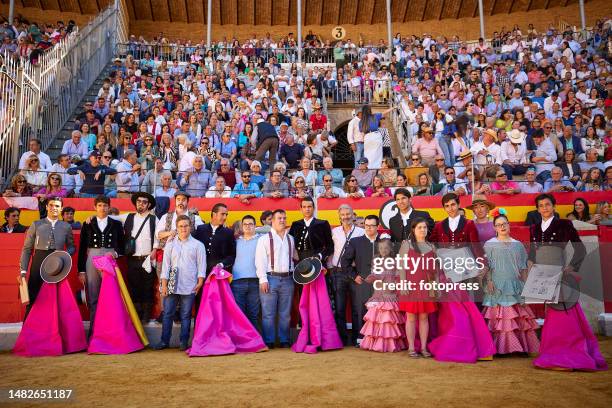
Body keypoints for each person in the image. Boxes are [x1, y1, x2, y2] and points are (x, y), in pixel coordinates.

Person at [528, 193, 607, 371]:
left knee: (563, 310)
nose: (544, 208)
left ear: (554, 206)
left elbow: (580, 249)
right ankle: (553, 351)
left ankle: (567, 352)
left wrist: (571, 267)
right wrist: (530, 265)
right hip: (542, 277)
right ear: (537, 209)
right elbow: (533, 253)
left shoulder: (564, 224)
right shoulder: (534, 228)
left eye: (547, 204)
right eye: (541, 205)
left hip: (559, 275)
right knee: (553, 311)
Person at [428, 193, 495, 363]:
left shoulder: (469, 224)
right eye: (447, 206)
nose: (450, 208)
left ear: (458, 205)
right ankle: (454, 342)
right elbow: (432, 244)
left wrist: (483, 264)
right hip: (447, 270)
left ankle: (473, 345)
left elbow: (476, 247)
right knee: (450, 309)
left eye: (453, 204)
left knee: (466, 306)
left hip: (465, 269)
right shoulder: (439, 226)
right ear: (444, 208)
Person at [482, 211, 539, 355]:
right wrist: (488, 280)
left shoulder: (518, 245)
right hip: (496, 284)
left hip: (515, 285)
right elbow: (487, 265)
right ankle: (501, 348)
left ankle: (519, 347)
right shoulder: (489, 244)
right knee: (501, 318)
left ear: (509, 225)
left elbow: (523, 268)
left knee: (515, 317)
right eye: (498, 225)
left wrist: (526, 289)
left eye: (504, 224)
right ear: (494, 228)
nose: (502, 227)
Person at [153, 215, 206, 351]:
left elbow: (201, 266)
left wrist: (200, 283)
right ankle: (164, 341)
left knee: (186, 315)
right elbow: (165, 266)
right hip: (171, 285)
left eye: (186, 225)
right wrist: (164, 285)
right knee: (168, 313)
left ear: (190, 227)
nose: (183, 228)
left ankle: (183, 342)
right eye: (181, 226)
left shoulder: (198, 245)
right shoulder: (170, 245)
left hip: (190, 285)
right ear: (177, 228)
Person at [19, 197, 75, 316]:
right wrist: (23, 270)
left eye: (57, 206)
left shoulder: (66, 226)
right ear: (46, 207)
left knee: (56, 296)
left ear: (61, 209)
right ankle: (29, 329)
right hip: (39, 259)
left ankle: (54, 328)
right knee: (33, 294)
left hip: (58, 262)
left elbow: (71, 247)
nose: (54, 208)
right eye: (51, 205)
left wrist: (65, 255)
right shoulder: (36, 224)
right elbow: (27, 249)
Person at [77, 195, 124, 335]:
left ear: (109, 207)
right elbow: (82, 247)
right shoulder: (87, 223)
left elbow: (121, 246)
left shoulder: (116, 224)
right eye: (99, 205)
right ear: (94, 207)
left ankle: (111, 330)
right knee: (93, 296)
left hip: (109, 258)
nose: (102, 208)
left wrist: (115, 254)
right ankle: (94, 331)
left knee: (112, 296)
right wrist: (81, 270)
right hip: (92, 258)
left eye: (105, 205)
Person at [255, 209, 296, 348]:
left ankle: (284, 340)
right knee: (268, 313)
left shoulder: (291, 239)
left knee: (285, 313)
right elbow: (259, 261)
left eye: (284, 218)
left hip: (288, 279)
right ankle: (269, 341)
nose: (282, 220)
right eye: (279, 218)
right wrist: (263, 279)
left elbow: (292, 259)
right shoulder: (264, 239)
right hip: (270, 278)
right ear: (272, 220)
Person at [398, 218, 438, 357]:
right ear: (413, 230)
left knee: (424, 317)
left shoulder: (431, 246)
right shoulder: (406, 245)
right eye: (419, 227)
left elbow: (435, 269)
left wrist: (435, 286)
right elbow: (401, 266)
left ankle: (423, 348)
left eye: (425, 227)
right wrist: (403, 283)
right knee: (410, 318)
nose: (423, 230)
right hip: (410, 285)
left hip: (426, 286)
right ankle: (411, 348)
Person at [115, 192, 158, 323]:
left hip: (147, 259)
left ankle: (145, 315)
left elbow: (157, 236)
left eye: (144, 202)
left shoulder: (153, 219)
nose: (141, 204)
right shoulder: (128, 216)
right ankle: (136, 314)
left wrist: (155, 250)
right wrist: (93, 217)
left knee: (148, 287)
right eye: (139, 201)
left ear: (149, 205)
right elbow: (110, 218)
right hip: (132, 259)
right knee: (133, 287)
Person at [360, 239, 407, 353]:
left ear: (390, 249)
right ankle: (375, 343)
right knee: (377, 319)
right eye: (381, 248)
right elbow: (374, 275)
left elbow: (398, 276)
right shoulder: (376, 261)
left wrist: (394, 285)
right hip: (378, 293)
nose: (383, 250)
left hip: (389, 295)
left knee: (388, 320)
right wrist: (369, 278)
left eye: (386, 248)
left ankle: (391, 344)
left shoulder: (395, 262)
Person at [341, 214, 381, 347]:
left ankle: (378, 338)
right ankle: (360, 339)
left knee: (379, 311)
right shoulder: (355, 242)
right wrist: (354, 276)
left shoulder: (385, 242)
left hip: (380, 284)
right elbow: (344, 261)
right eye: (366, 225)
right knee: (359, 310)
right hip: (362, 281)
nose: (369, 228)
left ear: (378, 226)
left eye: (372, 226)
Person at [327, 204, 365, 346]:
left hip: (355, 274)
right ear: (339, 216)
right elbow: (331, 251)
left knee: (357, 308)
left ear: (353, 214)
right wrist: (331, 269)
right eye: (343, 215)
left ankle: (357, 338)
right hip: (338, 273)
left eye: (348, 214)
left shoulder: (361, 232)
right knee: (340, 308)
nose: (346, 217)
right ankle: (341, 339)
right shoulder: (334, 232)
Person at [231, 215, 261, 330]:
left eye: (250, 224)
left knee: (254, 314)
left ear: (255, 226)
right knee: (239, 314)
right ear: (242, 227)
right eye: (245, 224)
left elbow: (269, 229)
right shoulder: (235, 242)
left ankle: (254, 342)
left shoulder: (261, 240)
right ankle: (241, 341)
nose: (248, 226)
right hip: (238, 281)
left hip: (255, 281)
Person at [192, 203, 236, 280]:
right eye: (222, 214)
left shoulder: (229, 233)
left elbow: (232, 255)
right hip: (200, 273)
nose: (225, 217)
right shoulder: (200, 229)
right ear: (214, 214)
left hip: (219, 275)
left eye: (226, 215)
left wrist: (222, 264)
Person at [289, 197, 334, 263]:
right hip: (298, 260)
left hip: (317, 259)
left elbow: (330, 246)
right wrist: (294, 254)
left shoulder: (323, 224)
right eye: (304, 207)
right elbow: (290, 243)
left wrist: (320, 256)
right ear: (301, 209)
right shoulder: (295, 224)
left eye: (309, 206)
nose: (307, 209)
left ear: (314, 208)